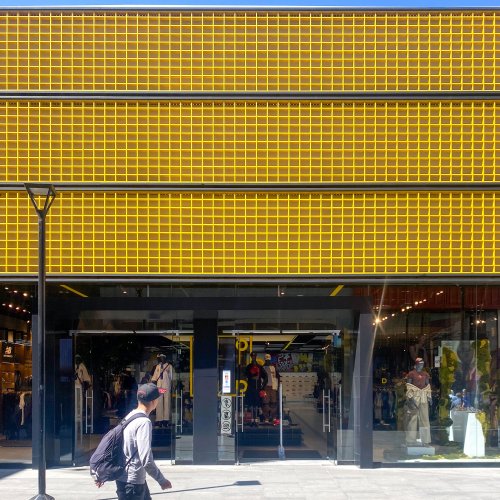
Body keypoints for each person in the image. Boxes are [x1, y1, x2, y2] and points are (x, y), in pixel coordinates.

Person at [116, 382, 172, 500]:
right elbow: (146, 459)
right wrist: (161, 480)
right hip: (132, 483)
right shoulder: (144, 423)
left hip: (127, 479)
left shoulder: (130, 416)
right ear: (153, 401)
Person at [405, 357, 432, 446]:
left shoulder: (425, 374)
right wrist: (410, 397)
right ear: (416, 364)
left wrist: (429, 397)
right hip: (414, 396)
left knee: (425, 419)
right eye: (420, 364)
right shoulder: (411, 374)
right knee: (413, 418)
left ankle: (425, 441)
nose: (421, 365)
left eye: (422, 364)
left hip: (423, 396)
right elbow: (408, 386)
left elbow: (428, 386)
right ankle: (410, 440)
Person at [245, 352, 268, 425]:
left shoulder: (260, 367)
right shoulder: (248, 367)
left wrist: (263, 386)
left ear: (256, 356)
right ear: (251, 357)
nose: (253, 357)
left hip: (257, 388)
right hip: (250, 388)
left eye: (254, 356)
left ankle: (256, 420)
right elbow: (245, 375)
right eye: (252, 356)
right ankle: (252, 420)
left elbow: (265, 376)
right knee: (251, 404)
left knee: (257, 405)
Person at [151, 354, 173, 427]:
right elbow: (154, 377)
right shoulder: (158, 366)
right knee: (159, 403)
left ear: (165, 358)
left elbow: (171, 377)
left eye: (162, 357)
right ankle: (159, 419)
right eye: (160, 358)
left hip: (166, 386)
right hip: (159, 386)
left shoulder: (169, 366)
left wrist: (167, 372)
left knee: (167, 402)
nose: (161, 359)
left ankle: (166, 419)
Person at [262, 353, 281, 423]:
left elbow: (278, 376)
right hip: (265, 388)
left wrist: (278, 387)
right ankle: (266, 418)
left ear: (270, 360)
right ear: (265, 360)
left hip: (273, 387)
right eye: (266, 360)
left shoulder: (273, 367)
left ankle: (273, 417)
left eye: (268, 360)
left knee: (274, 403)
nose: (267, 361)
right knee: (265, 403)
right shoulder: (262, 368)